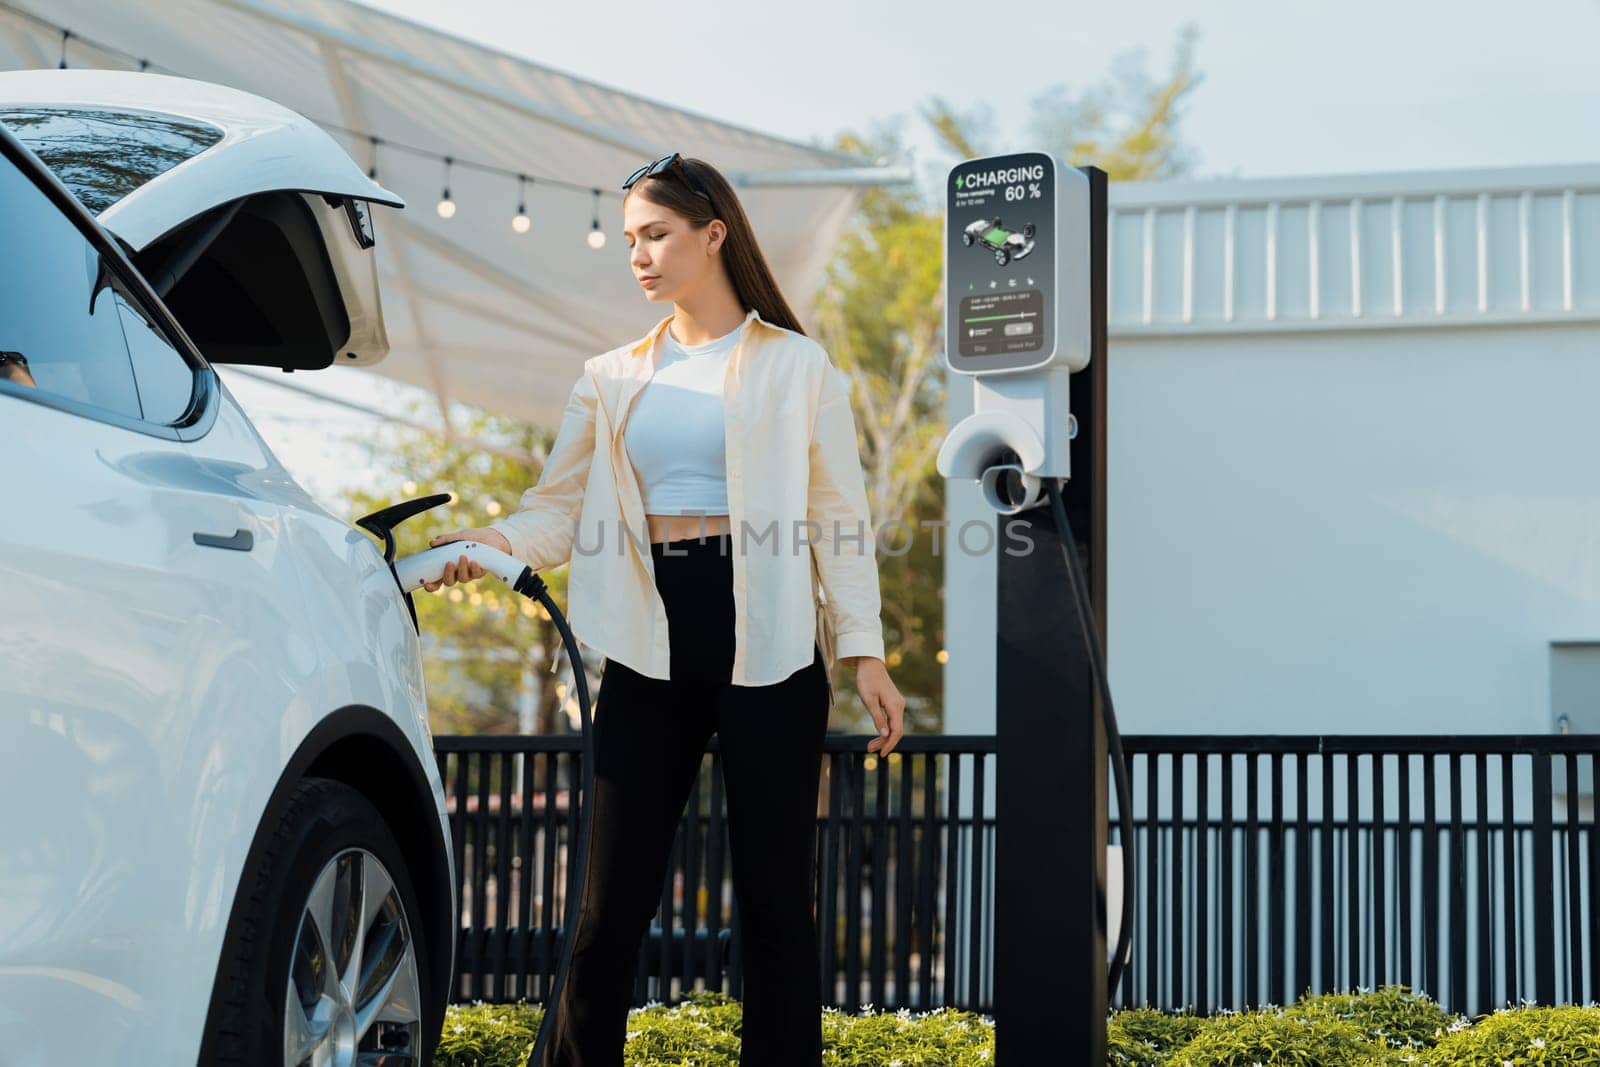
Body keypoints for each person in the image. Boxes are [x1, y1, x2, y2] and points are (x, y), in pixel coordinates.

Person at [425, 152, 905, 1067]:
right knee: (609, 904)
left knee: (774, 904)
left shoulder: (798, 365)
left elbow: (839, 518)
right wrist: (482, 548)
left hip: (772, 637)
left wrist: (864, 652)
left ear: (713, 234)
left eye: (655, 235)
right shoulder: (609, 376)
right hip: (652, 632)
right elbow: (554, 512)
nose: (637, 256)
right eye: (630, 239)